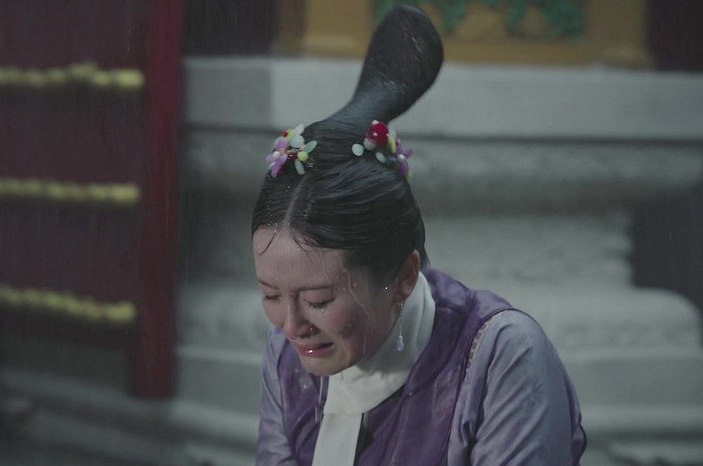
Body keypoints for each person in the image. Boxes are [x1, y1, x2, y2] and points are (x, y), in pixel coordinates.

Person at [251, 6, 586, 466]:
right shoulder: (290, 355)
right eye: (271, 294)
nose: (291, 325)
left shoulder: (499, 356)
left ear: (404, 275)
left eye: (319, 299)